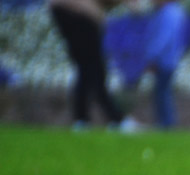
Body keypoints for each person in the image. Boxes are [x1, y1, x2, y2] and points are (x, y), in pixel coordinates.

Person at [48, 0, 134, 131]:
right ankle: (116, 119)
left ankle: (82, 120)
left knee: (86, 69)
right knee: (94, 68)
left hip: (70, 11)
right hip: (78, 12)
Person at [143, 0, 186, 128]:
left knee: (162, 93)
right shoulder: (175, 12)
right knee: (163, 92)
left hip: (164, 60)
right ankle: (166, 123)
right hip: (170, 59)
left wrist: (152, 56)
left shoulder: (168, 13)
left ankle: (166, 124)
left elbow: (162, 38)